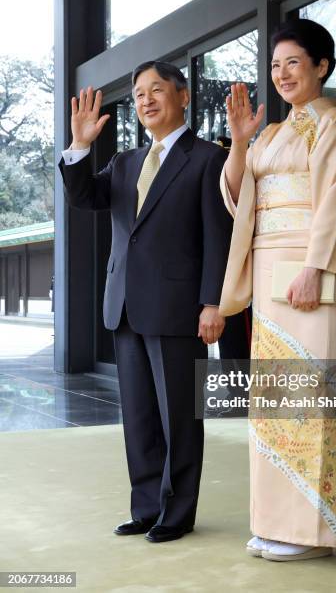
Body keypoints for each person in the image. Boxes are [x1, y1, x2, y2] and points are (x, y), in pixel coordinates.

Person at [219, 19, 336, 561]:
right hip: (269, 276)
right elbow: (241, 200)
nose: (282, 74)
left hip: (312, 275)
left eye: (293, 62)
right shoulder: (269, 134)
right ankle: (274, 522)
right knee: (273, 405)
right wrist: (240, 143)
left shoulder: (333, 122)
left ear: (321, 67)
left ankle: (313, 532)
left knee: (313, 400)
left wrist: (316, 268)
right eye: (275, 65)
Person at [59, 62, 233, 543]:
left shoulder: (206, 159)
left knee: (179, 415)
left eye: (157, 90)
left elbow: (218, 237)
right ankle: (146, 506)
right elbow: (84, 198)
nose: (146, 100)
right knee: (137, 416)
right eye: (138, 94)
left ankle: (177, 514)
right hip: (126, 306)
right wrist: (80, 147)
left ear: (183, 97)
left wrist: (212, 303)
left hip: (180, 308)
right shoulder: (125, 162)